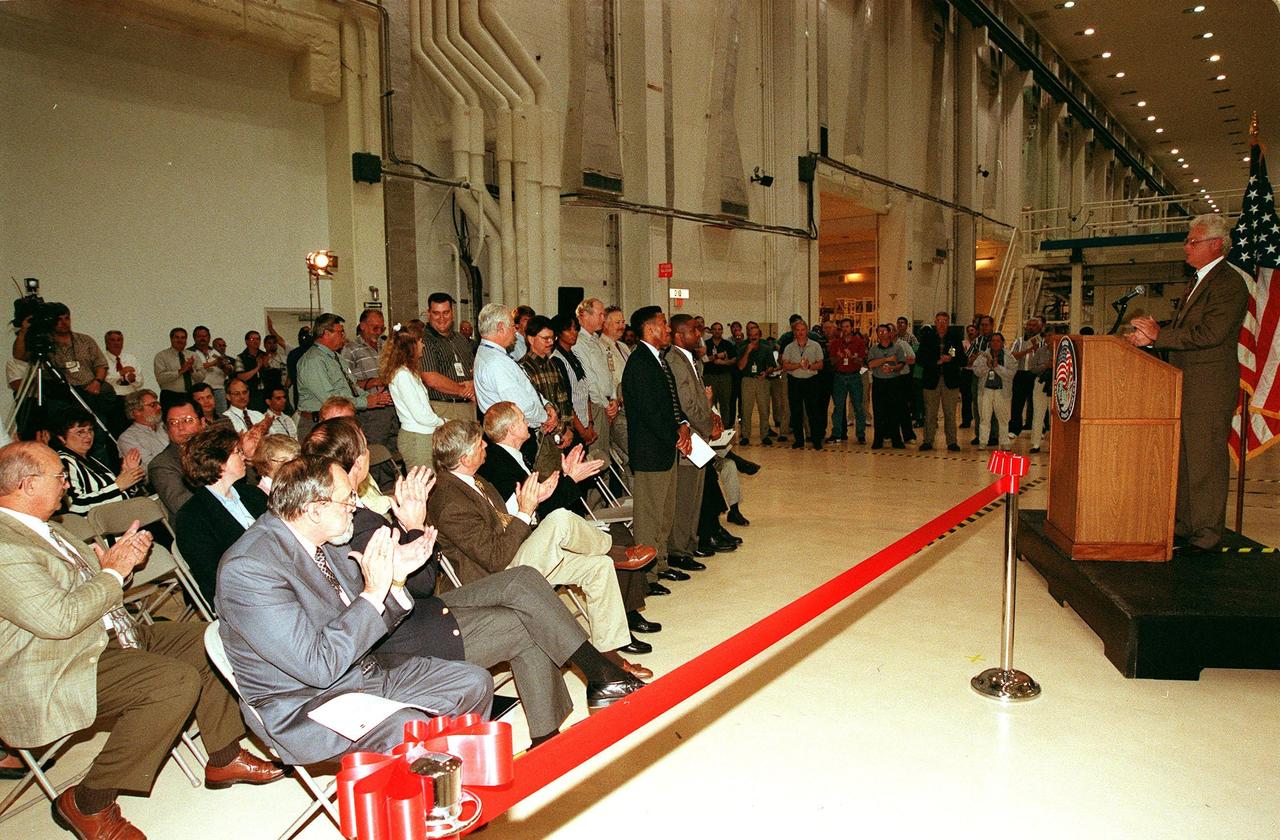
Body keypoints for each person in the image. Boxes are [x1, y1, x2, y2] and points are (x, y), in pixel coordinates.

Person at [0, 442, 283, 840]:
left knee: (214, 637)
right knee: (173, 683)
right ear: (27, 485)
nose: (67, 485)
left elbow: (86, 592)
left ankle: (224, 754)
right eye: (59, 476)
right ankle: (88, 801)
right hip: (54, 666)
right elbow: (60, 619)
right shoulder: (6, 547)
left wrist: (118, 564)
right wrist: (112, 574)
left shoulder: (47, 528)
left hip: (103, 635)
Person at [306, 416, 648, 729]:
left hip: (431, 604)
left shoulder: (356, 512)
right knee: (529, 588)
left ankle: (575, 705)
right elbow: (420, 586)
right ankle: (594, 680)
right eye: (365, 445)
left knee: (529, 585)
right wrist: (412, 526)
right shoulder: (354, 521)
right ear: (358, 459)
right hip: (417, 620)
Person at [215, 455, 494, 766]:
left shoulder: (327, 539)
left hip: (359, 674)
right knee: (408, 728)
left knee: (473, 683)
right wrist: (375, 591)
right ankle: (434, 801)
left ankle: (463, 780)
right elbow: (319, 666)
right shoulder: (249, 570)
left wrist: (396, 577)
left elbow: (363, 619)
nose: (356, 505)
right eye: (348, 498)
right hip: (307, 705)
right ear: (314, 509)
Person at [427, 420, 636, 657]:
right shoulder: (449, 502)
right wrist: (525, 512)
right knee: (560, 519)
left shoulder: (472, 480)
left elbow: (501, 527)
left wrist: (535, 501)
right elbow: (494, 559)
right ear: (464, 458)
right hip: (493, 580)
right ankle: (609, 548)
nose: (485, 444)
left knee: (598, 566)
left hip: (511, 559)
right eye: (478, 444)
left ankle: (608, 653)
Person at [1126, 213, 1250, 555]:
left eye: (1192, 241)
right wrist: (1151, 339)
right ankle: (1185, 525)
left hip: (1208, 388)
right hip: (1186, 384)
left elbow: (1211, 334)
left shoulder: (1228, 283)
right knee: (1184, 460)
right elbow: (1185, 331)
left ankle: (1207, 534)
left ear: (1215, 244)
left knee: (1205, 461)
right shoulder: (1197, 281)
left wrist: (1160, 335)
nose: (1186, 247)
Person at [621, 306, 693, 593]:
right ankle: (646, 576)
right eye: (664, 324)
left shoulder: (658, 361)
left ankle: (660, 564)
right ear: (649, 329)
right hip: (652, 449)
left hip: (666, 446)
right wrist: (676, 434)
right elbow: (650, 412)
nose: (668, 330)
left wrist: (683, 425)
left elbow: (672, 403)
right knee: (649, 516)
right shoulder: (639, 363)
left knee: (664, 512)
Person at [175, 425, 267, 604]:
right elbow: (213, 576)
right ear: (218, 461)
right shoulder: (192, 518)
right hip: (241, 596)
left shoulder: (253, 494)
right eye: (238, 451)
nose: (244, 456)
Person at [473, 304, 560, 467]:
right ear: (500, 328)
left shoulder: (493, 354)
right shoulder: (496, 362)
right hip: (512, 438)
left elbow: (526, 387)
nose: (516, 330)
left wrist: (547, 404)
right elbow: (521, 406)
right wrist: (546, 417)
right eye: (513, 326)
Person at [664, 314, 715, 570]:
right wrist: (706, 423)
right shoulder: (674, 360)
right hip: (689, 434)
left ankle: (689, 544)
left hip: (699, 434)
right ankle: (677, 549)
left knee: (695, 494)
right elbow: (687, 404)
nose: (699, 335)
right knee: (684, 496)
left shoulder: (690, 359)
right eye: (694, 331)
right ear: (679, 334)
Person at [295, 313, 392, 439]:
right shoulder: (313, 360)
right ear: (326, 334)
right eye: (340, 332)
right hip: (318, 425)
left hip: (339, 422)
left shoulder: (336, 357)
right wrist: (365, 402)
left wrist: (372, 397)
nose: (344, 336)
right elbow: (328, 399)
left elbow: (352, 386)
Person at [52, 409, 150, 516]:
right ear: (62, 437)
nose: (88, 436)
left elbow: (119, 496)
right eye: (80, 432)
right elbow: (74, 506)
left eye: (90, 430)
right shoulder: (63, 462)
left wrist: (129, 475)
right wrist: (118, 485)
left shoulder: (91, 460)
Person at [380, 326, 443, 467]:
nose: (423, 345)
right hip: (417, 438)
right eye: (420, 341)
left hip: (423, 435)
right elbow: (420, 414)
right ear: (411, 346)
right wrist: (442, 421)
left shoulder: (409, 372)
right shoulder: (402, 375)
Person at [343, 309, 398, 453]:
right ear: (362, 326)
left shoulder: (386, 346)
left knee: (393, 452)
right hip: (371, 411)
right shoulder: (351, 350)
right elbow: (346, 384)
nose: (378, 331)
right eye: (375, 327)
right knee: (375, 452)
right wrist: (374, 382)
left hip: (393, 407)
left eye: (382, 328)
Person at [419, 293, 478, 423]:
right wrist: (462, 390)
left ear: (452, 313)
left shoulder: (460, 339)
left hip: (468, 407)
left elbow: (473, 368)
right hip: (442, 408)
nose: (441, 318)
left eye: (445, 312)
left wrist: (473, 383)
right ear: (429, 314)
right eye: (436, 313)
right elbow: (431, 378)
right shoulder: (424, 341)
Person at [573, 298, 619, 464]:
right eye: (600, 315)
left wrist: (613, 398)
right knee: (597, 459)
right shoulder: (579, 342)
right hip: (596, 405)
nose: (603, 319)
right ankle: (596, 491)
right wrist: (606, 405)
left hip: (606, 403)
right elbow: (589, 379)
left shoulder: (596, 341)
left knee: (605, 457)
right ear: (585, 315)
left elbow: (608, 372)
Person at [148, 397, 206, 520]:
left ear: (203, 423)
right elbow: (186, 509)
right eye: (173, 423)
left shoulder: (217, 449)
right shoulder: (162, 465)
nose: (181, 427)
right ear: (167, 429)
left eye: (188, 420)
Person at [918, 312, 965, 452]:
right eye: (939, 321)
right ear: (935, 322)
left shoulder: (955, 338)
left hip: (950, 380)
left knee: (950, 413)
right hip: (931, 380)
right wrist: (935, 361)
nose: (942, 324)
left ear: (948, 322)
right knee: (930, 413)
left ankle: (952, 442)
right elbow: (920, 359)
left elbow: (962, 359)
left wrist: (951, 359)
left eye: (945, 321)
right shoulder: (927, 338)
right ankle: (928, 441)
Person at [780, 318, 826, 450]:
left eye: (803, 330)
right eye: (797, 330)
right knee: (796, 412)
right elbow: (785, 365)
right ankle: (798, 440)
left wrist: (809, 366)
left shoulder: (815, 345)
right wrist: (798, 365)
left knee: (813, 412)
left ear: (807, 331)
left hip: (811, 382)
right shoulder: (789, 347)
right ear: (794, 332)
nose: (800, 332)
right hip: (795, 382)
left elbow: (821, 364)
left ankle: (816, 440)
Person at [826, 318, 867, 444]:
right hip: (839, 376)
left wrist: (853, 357)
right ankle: (836, 433)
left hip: (854, 376)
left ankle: (860, 434)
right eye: (843, 327)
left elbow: (862, 362)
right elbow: (831, 361)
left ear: (852, 328)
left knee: (858, 406)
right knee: (838, 407)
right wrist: (838, 357)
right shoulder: (835, 343)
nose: (845, 329)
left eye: (847, 326)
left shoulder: (859, 342)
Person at [737, 321, 778, 446]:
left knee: (764, 409)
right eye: (751, 335)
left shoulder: (766, 348)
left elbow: (772, 366)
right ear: (748, 336)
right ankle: (745, 435)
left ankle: (765, 434)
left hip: (762, 380)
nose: (753, 337)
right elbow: (740, 366)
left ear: (759, 335)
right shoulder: (743, 348)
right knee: (746, 409)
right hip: (747, 380)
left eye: (756, 334)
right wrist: (748, 352)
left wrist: (766, 372)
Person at [867, 324, 907, 449]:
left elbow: (901, 364)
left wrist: (892, 368)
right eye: (879, 332)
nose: (882, 334)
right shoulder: (873, 349)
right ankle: (878, 440)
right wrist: (886, 360)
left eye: (885, 331)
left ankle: (896, 439)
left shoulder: (898, 348)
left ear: (890, 333)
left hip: (894, 383)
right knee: (879, 412)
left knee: (894, 412)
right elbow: (871, 364)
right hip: (879, 383)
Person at [973, 332, 1015, 451]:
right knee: (984, 417)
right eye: (993, 341)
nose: (995, 343)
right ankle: (983, 442)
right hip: (986, 390)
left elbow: (1011, 374)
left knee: (1003, 418)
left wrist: (997, 367)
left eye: (998, 341)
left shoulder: (1009, 356)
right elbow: (976, 371)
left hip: (1001, 391)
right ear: (990, 343)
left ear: (1002, 343)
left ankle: (1004, 441)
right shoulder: (983, 356)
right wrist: (987, 366)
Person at [116, 389, 169, 468]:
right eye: (153, 405)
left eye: (158, 404)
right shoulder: (128, 438)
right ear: (137, 411)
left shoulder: (166, 426)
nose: (159, 407)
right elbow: (150, 467)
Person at [703, 322, 738, 429]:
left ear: (722, 331)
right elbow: (703, 360)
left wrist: (724, 362)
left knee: (725, 402)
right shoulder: (706, 344)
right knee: (711, 402)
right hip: (710, 376)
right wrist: (716, 356)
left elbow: (734, 360)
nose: (717, 331)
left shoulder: (727, 344)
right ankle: (713, 427)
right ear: (711, 331)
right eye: (715, 329)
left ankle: (725, 426)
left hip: (725, 376)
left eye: (719, 329)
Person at [191, 325, 231, 415]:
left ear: (209, 338)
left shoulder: (214, 352)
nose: (202, 338)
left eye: (205, 336)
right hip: (201, 392)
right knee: (203, 416)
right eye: (200, 336)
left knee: (222, 417)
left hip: (219, 389)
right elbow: (195, 368)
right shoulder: (190, 352)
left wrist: (224, 366)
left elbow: (226, 371)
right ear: (194, 338)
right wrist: (213, 363)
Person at [154, 327, 201, 397]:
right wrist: (181, 370)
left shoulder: (193, 355)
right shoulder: (161, 356)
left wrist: (191, 370)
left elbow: (201, 378)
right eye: (177, 337)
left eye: (183, 338)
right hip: (171, 396)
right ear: (171, 339)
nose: (180, 340)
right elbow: (160, 378)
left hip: (192, 395)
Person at [102, 330, 142, 396]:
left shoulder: (131, 358)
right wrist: (120, 373)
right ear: (106, 342)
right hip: (109, 397)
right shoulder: (101, 359)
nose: (116, 343)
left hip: (130, 397)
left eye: (119, 340)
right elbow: (102, 381)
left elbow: (140, 382)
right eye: (112, 340)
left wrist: (133, 380)